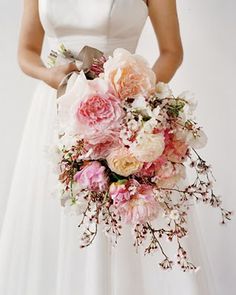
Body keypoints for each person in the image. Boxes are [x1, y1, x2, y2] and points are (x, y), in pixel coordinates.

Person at [0, 0, 215, 294]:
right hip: (56, 111)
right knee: (57, 219)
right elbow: (25, 51)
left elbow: (172, 52)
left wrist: (135, 103)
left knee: (123, 216)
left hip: (122, 109)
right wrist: (48, 75)